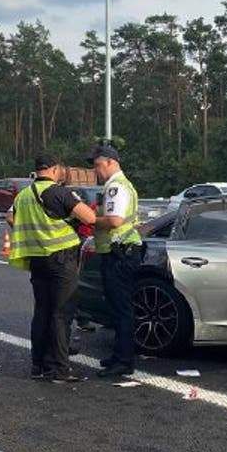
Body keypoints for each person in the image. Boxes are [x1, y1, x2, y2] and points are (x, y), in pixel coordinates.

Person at [6, 154, 96, 383]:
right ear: (55, 170)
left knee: (42, 311)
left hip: (37, 259)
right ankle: (59, 369)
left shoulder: (24, 194)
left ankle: (39, 364)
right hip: (61, 258)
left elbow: (10, 218)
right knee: (61, 313)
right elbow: (90, 217)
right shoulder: (58, 192)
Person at [88, 144, 142, 378]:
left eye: (98, 166)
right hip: (121, 251)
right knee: (118, 308)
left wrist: (91, 218)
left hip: (120, 252)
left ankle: (123, 360)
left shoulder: (116, 187)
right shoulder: (119, 185)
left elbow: (114, 221)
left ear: (111, 162)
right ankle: (119, 355)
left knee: (122, 309)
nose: (96, 171)